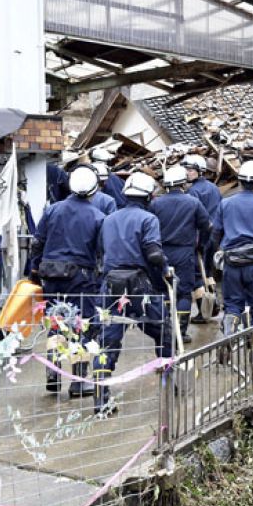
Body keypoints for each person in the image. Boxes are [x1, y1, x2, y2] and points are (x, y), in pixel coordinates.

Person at [93, 172, 173, 414]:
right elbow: (154, 255)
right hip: (140, 286)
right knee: (163, 330)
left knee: (107, 341)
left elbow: (100, 252)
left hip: (111, 285)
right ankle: (167, 381)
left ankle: (101, 399)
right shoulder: (148, 219)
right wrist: (166, 270)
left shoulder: (108, 219)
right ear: (148, 196)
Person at [30, 165, 105, 397]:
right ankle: (79, 382)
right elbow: (101, 251)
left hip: (50, 275)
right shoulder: (97, 216)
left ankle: (53, 375)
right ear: (94, 189)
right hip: (81, 278)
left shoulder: (52, 210)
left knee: (55, 322)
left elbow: (37, 242)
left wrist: (35, 268)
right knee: (80, 326)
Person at [211, 160, 253, 361]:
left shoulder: (225, 203)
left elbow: (216, 232)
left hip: (232, 262)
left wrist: (218, 251)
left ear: (239, 182)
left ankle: (229, 335)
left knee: (232, 305)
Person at [150, 166, 212, 343]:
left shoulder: (156, 204)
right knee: (184, 293)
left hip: (161, 253)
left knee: (163, 291)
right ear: (183, 183)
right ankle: (181, 332)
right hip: (185, 252)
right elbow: (207, 226)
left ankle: (166, 330)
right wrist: (201, 245)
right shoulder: (192, 202)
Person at [183, 154, 222, 323]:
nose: (187, 173)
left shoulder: (193, 191)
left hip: (201, 235)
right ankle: (214, 304)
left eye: (190, 170)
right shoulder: (213, 188)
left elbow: (195, 216)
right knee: (209, 271)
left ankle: (203, 311)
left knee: (198, 274)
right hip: (214, 235)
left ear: (200, 171)